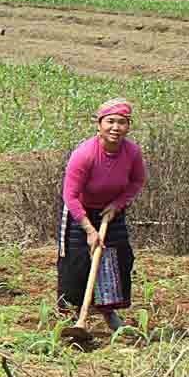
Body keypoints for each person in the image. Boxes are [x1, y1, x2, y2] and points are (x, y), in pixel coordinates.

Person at [57, 98, 147, 331]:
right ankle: (74, 316)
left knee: (115, 259)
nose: (116, 127)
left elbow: (137, 181)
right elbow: (70, 195)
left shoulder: (132, 152)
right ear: (99, 125)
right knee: (76, 262)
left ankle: (108, 311)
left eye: (122, 122)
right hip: (80, 211)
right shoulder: (85, 154)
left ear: (128, 126)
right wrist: (89, 229)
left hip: (111, 210)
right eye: (110, 121)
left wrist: (118, 204)